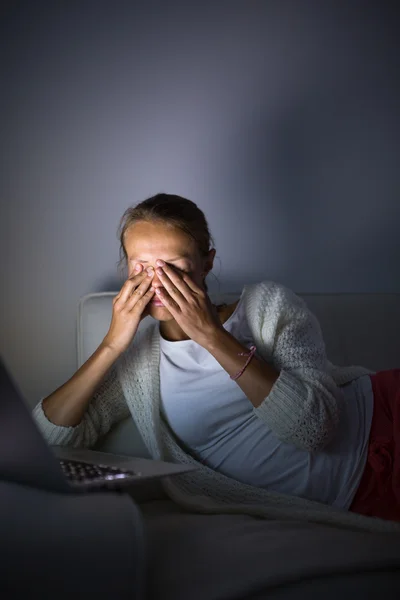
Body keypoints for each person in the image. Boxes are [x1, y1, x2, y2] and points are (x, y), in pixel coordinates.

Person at [33, 193, 400, 533]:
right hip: (359, 493)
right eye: (141, 267)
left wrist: (210, 335)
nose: (158, 283)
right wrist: (113, 343)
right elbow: (47, 441)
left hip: (383, 414)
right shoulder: (141, 365)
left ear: (206, 262)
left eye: (174, 267)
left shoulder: (268, 307)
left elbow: (315, 428)